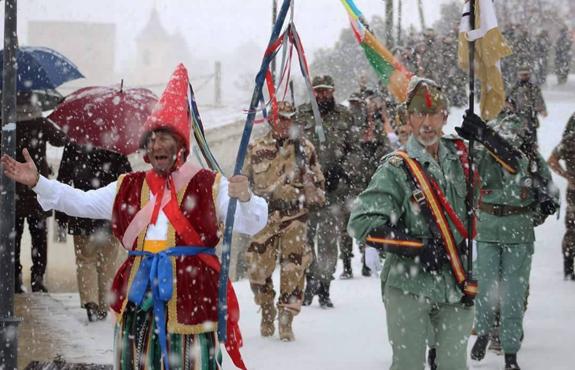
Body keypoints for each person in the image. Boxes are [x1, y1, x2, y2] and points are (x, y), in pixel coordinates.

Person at [1, 64, 267, 370]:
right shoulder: (129, 185)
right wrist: (38, 182)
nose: (156, 144)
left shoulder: (209, 184)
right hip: (140, 299)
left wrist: (245, 197)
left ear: (181, 145)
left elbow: (252, 221)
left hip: (192, 301)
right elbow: (81, 202)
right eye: (152, 139)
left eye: (164, 137)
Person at [348, 77, 477, 370]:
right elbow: (361, 223)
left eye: (434, 114)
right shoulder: (397, 167)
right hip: (408, 283)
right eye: (419, 114)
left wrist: (489, 140)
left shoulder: (463, 156)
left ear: (445, 116)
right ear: (408, 117)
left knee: (454, 366)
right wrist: (416, 248)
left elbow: (514, 176)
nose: (427, 122)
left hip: (455, 279)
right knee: (407, 365)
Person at [468, 108, 559, 370]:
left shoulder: (530, 159)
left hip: (518, 234)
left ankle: (510, 352)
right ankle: (483, 332)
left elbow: (549, 195)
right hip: (488, 231)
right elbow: (466, 179)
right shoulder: (483, 155)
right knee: (485, 288)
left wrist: (531, 219)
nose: (508, 139)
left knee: (513, 295)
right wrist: (473, 138)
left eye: (513, 134)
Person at [243, 101, 325, 341]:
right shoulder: (256, 148)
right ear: (270, 119)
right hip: (264, 218)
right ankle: (266, 306)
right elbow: (243, 185)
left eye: (289, 118)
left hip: (295, 218)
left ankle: (286, 318)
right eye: (280, 118)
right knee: (257, 270)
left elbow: (320, 190)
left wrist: (312, 189)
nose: (284, 123)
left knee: (294, 269)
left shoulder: (306, 149)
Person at [56, 142, 132, 321]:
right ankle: (104, 304)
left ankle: (90, 301)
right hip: (108, 211)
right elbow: (127, 177)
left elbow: (63, 178)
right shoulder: (114, 143)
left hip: (81, 210)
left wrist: (61, 214)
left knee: (85, 259)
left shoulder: (74, 143)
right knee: (108, 261)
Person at [296, 75, 353, 307]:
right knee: (305, 240)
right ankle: (310, 281)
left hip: (333, 191)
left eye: (326, 91)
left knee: (329, 241)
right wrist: (303, 175)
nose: (322, 95)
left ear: (333, 91)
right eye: (318, 91)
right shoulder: (301, 115)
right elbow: (292, 150)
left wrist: (342, 170)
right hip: (307, 190)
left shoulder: (344, 116)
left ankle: (325, 285)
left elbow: (355, 149)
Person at [1, 98, 68, 293]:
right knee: (39, 238)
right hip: (37, 188)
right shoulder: (40, 122)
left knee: (13, 238)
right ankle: (37, 280)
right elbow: (61, 139)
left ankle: (14, 279)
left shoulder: (7, 122)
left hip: (12, 189)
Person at [548, 112, 575, 280]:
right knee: (572, 230)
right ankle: (569, 266)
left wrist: (567, 175)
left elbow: (551, 160)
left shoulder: (569, 140)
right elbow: (551, 160)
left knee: (572, 230)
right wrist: (567, 176)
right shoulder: (569, 141)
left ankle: (568, 265)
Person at [507, 65, 548, 146]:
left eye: (526, 74)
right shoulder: (514, 88)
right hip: (516, 118)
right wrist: (509, 106)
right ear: (519, 75)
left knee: (531, 142)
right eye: (522, 75)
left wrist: (542, 110)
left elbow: (538, 100)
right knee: (516, 142)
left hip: (530, 118)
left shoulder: (533, 88)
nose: (524, 77)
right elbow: (505, 99)